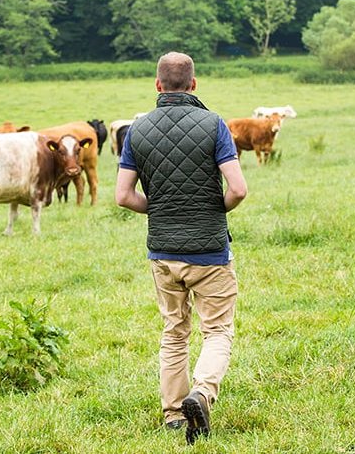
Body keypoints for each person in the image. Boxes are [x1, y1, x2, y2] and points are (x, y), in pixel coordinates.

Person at [115, 52, 248, 445]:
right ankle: (202, 393)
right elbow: (238, 188)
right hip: (209, 251)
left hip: (163, 252)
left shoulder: (137, 131)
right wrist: (213, 209)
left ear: (157, 86)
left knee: (174, 332)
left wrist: (159, 210)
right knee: (218, 330)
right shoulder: (214, 124)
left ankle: (174, 413)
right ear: (193, 85)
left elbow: (123, 196)